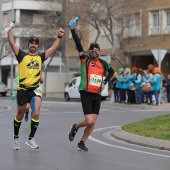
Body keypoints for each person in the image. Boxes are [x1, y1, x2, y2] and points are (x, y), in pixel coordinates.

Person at [6, 22, 65, 150]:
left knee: (36, 113)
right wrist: (9, 31)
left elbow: (53, 48)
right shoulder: (21, 55)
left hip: (34, 90)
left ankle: (31, 139)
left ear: (38, 46)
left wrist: (59, 37)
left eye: (35, 44)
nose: (33, 45)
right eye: (31, 43)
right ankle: (16, 138)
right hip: (22, 90)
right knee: (20, 115)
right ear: (28, 45)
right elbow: (12, 44)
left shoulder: (40, 57)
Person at [68, 23, 114, 151]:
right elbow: (78, 44)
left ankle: (81, 142)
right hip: (86, 93)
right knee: (88, 121)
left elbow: (112, 72)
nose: (94, 51)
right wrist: (72, 29)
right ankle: (75, 127)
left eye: (96, 50)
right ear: (89, 51)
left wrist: (105, 81)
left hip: (97, 94)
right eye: (92, 50)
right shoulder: (85, 59)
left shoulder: (103, 63)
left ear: (99, 51)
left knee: (93, 122)